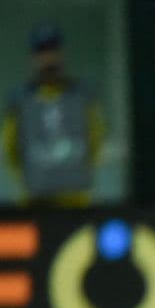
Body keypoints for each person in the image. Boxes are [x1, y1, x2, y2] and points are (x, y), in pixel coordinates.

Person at [2, 23, 104, 207]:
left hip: (76, 202)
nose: (48, 58)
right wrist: (29, 179)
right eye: (42, 51)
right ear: (33, 57)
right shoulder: (21, 101)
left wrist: (78, 172)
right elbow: (10, 148)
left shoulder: (81, 95)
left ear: (61, 53)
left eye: (52, 50)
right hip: (34, 202)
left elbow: (96, 138)